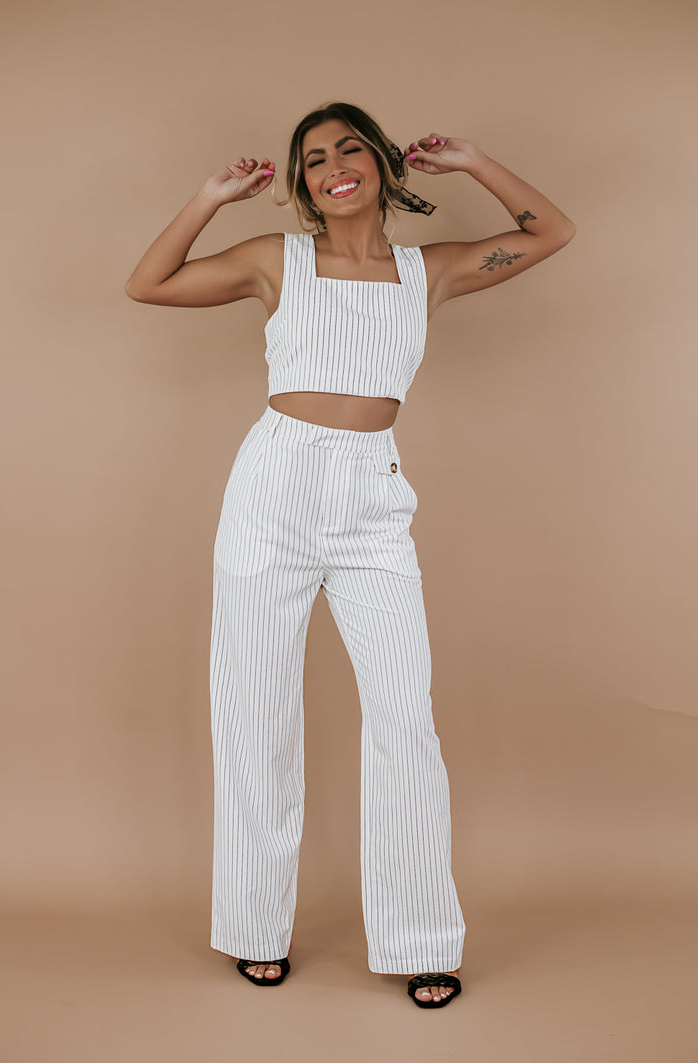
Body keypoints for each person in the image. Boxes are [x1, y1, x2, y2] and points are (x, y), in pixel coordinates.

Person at [125, 101, 576, 1009]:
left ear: (381, 164)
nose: (333, 166)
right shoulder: (276, 260)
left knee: (405, 717)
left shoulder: (428, 273)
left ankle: (420, 938)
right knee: (255, 713)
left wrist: (474, 161)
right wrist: (210, 197)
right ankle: (256, 928)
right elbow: (149, 283)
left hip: (373, 497)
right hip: (273, 488)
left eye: (349, 149)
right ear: (302, 184)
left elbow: (551, 231)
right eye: (314, 158)